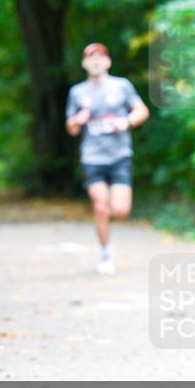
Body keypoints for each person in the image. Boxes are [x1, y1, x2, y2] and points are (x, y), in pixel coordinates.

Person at [65, 43, 150, 275]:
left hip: (120, 155)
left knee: (120, 210)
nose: (95, 61)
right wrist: (78, 120)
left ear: (108, 62)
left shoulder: (122, 86)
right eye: (90, 58)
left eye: (100, 57)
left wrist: (127, 122)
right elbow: (71, 128)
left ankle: (104, 224)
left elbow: (142, 111)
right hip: (92, 157)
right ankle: (106, 253)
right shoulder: (77, 93)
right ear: (84, 64)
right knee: (101, 205)